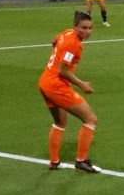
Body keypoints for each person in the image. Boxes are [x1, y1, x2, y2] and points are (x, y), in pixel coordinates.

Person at [37, 11, 101, 173]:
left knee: (60, 123)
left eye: (89, 28)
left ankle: (54, 162)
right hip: (56, 86)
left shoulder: (67, 33)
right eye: (83, 28)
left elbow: (54, 41)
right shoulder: (74, 44)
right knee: (90, 119)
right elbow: (63, 71)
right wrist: (82, 85)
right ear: (76, 26)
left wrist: (58, 51)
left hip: (45, 82)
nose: (87, 31)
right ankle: (81, 161)